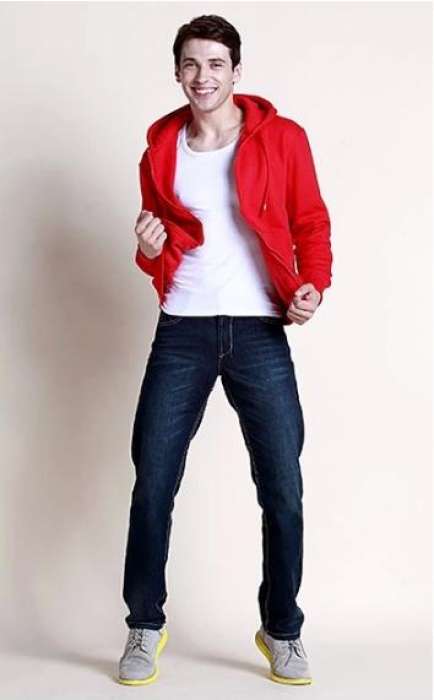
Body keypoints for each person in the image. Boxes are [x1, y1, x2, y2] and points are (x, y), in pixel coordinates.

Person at [117, 14, 332, 687]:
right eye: (190, 64)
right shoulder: (160, 151)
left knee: (283, 487)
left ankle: (282, 629)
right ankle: (144, 624)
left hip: (258, 329)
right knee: (153, 480)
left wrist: (312, 285)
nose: (202, 76)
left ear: (236, 71)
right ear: (177, 73)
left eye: (215, 63)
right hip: (181, 328)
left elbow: (310, 222)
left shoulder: (283, 138)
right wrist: (147, 249)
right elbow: (160, 249)